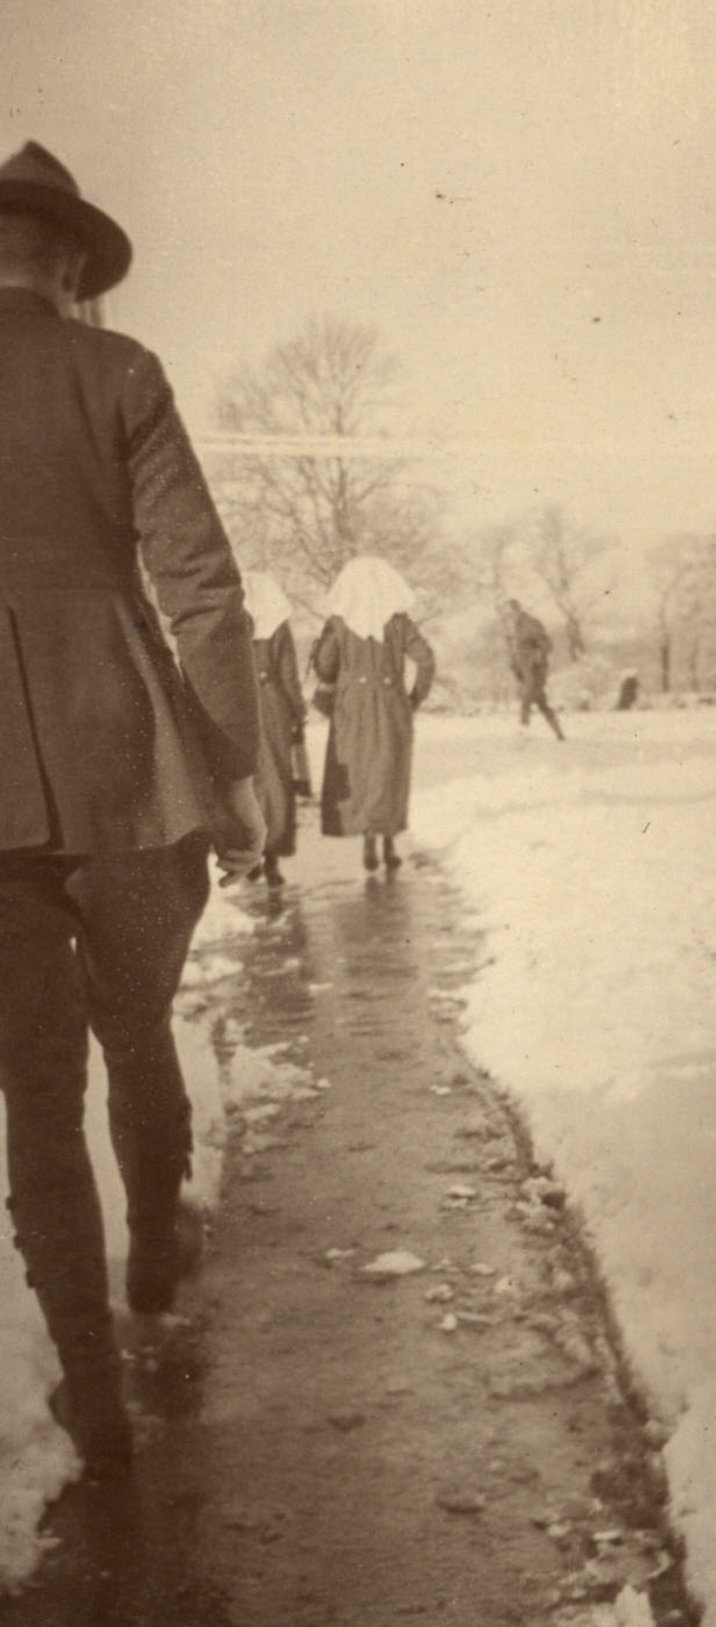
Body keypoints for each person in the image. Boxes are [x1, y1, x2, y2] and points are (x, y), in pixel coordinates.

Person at [0, 142, 265, 1480]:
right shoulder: (120, 374)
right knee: (135, 1027)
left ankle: (93, 1399)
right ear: (64, 264)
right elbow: (204, 594)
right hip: (128, 768)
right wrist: (234, 767)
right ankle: (154, 1244)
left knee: (31, 1094)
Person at [313, 555, 434, 871]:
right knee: (388, 771)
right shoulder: (400, 621)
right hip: (392, 703)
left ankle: (368, 840)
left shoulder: (338, 622)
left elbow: (324, 664)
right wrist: (414, 698)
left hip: (352, 705)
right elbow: (426, 660)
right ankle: (389, 842)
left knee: (359, 771)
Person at [242, 571, 308, 889]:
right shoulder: (278, 627)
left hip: (236, 705)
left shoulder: (227, 626)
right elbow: (289, 675)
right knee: (278, 780)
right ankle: (272, 860)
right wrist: (297, 711)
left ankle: (250, 855)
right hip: (272, 706)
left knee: (244, 780)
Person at [501, 598, 565, 739]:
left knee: (526, 699)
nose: (508, 616)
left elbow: (547, 644)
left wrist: (536, 658)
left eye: (510, 612)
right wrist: (514, 665)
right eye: (506, 614)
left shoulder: (531, 624)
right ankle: (559, 734)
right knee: (541, 703)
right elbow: (517, 650)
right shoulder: (514, 627)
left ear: (517, 609)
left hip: (535, 671)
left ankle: (523, 733)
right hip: (524, 672)